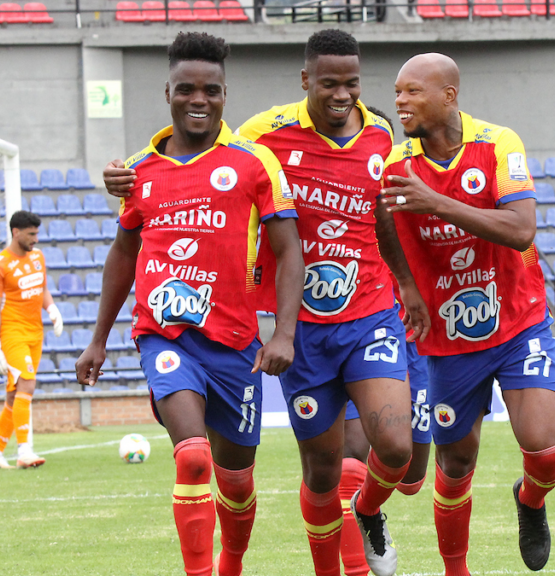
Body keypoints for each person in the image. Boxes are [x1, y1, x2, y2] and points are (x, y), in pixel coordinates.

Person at [76, 32, 305, 576]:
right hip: (166, 334)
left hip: (236, 344)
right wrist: (98, 339)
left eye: (211, 90)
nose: (198, 99)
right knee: (194, 455)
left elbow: (289, 248)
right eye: (186, 89)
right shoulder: (139, 171)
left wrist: (284, 333)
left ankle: (232, 562)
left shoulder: (254, 164)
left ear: (225, 95)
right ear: (168, 92)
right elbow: (123, 252)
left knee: (237, 479)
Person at [236, 30, 425, 576]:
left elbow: (385, 217)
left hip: (370, 314)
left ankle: (369, 512)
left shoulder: (380, 134)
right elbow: (207, 156)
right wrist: (131, 172)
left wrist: (408, 285)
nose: (343, 95)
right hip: (303, 329)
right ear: (305, 81)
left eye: (352, 83)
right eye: (329, 84)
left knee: (394, 448)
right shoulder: (264, 134)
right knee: (322, 472)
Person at [380, 53, 555, 574]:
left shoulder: (498, 144)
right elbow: (383, 224)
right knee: (456, 462)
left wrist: (437, 204)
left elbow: (520, 229)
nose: (400, 102)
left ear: (448, 95)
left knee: (546, 450)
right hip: (447, 340)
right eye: (397, 92)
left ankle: (530, 500)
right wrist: (405, 285)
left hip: (516, 323)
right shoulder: (398, 167)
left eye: (413, 92)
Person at [331, 104, 434, 576]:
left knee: (411, 475)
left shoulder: (414, 194)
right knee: (352, 453)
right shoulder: (339, 202)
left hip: (414, 339)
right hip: (361, 331)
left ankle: (368, 504)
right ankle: (358, 560)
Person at [0, 210, 64, 469]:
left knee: (13, 396)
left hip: (35, 333)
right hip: (12, 333)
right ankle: (24, 450)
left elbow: (42, 288)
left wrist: (51, 309)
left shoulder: (38, 257)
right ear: (16, 232)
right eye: (31, 234)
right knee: (27, 384)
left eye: (37, 234)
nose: (35, 239)